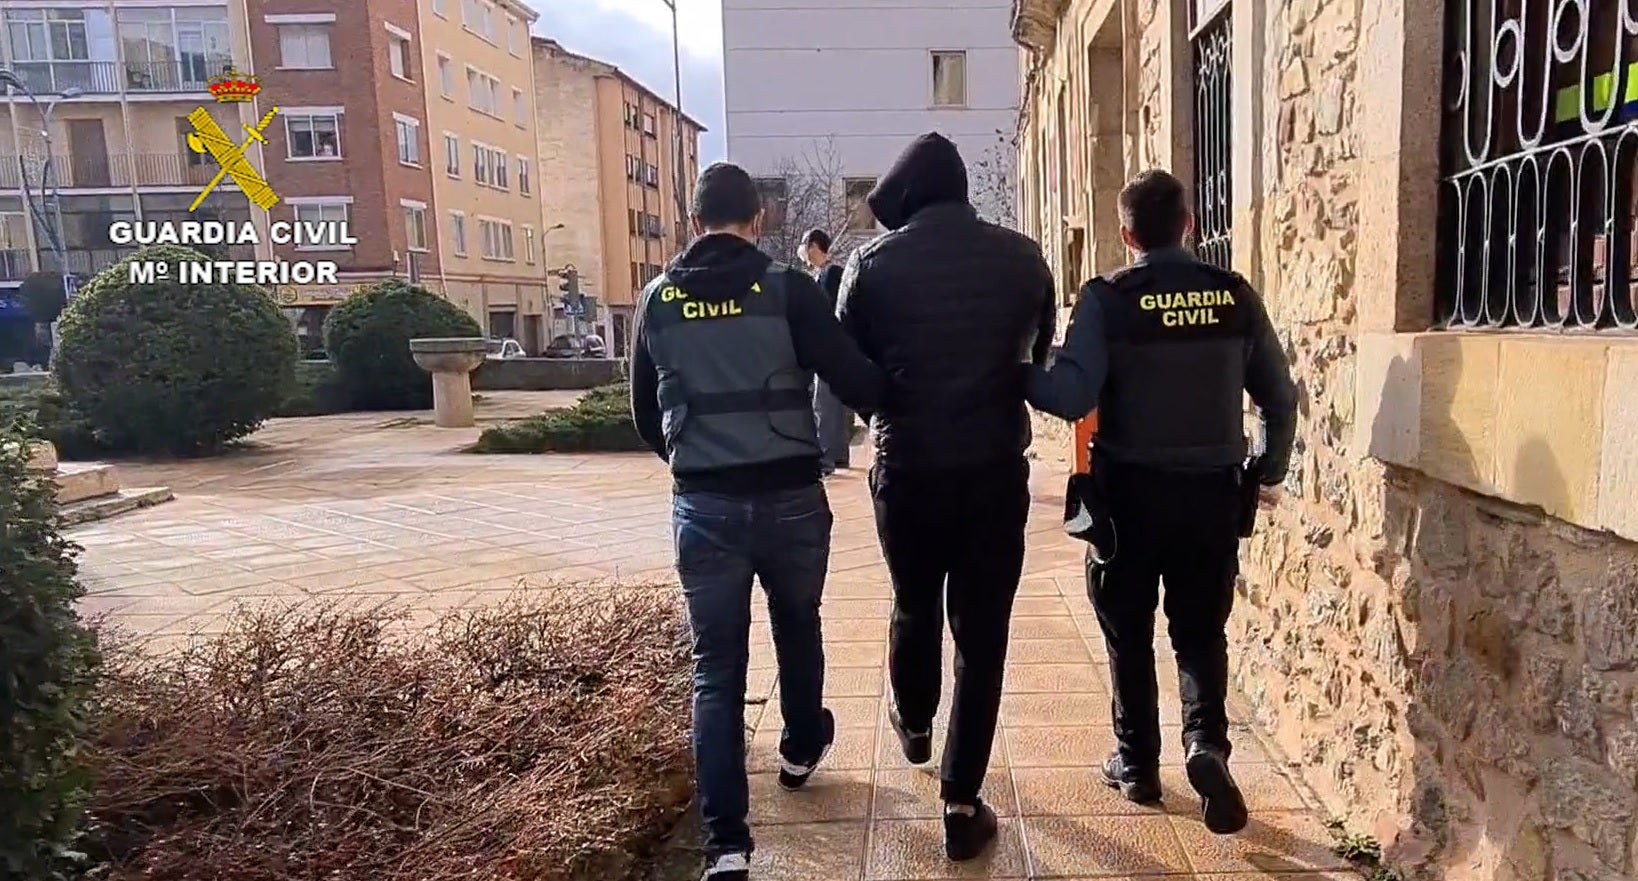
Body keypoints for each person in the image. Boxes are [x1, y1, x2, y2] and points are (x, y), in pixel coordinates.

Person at [629, 162, 890, 881]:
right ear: (759, 220)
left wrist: (699, 463)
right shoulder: (788, 290)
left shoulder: (656, 299)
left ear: (693, 223)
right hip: (791, 497)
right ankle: (801, 746)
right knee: (798, 622)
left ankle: (726, 846)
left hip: (704, 504)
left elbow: (646, 414)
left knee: (716, 669)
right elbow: (855, 380)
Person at [1024, 169, 1297, 835]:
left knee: (1128, 631)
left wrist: (1014, 368)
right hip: (1211, 494)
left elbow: (1069, 397)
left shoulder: (1108, 300)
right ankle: (1205, 744)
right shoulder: (1233, 295)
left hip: (1130, 498)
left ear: (1127, 235)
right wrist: (1266, 468)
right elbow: (1279, 397)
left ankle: (1137, 763)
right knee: (1200, 633)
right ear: (1189, 225)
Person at [835, 132, 1055, 861]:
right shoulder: (1023, 257)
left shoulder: (872, 264)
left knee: (913, 600)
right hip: (993, 468)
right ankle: (962, 801)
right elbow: (1038, 353)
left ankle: (916, 720)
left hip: (908, 467)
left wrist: (885, 409)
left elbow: (848, 365)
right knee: (983, 632)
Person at [796, 228, 854, 474]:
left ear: (813, 246)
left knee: (826, 404)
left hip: (831, 349)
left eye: (804, 244)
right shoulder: (823, 274)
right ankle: (837, 454)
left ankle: (828, 456)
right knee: (831, 404)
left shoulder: (831, 274)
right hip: (834, 349)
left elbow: (826, 311)